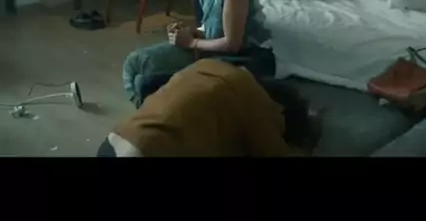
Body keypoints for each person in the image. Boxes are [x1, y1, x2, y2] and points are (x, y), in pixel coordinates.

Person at [123, 0, 275, 106]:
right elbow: (215, 32)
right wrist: (190, 33)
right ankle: (148, 110)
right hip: (215, 54)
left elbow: (233, 43)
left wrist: (192, 42)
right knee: (136, 71)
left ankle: (149, 111)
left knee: (145, 82)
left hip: (245, 59)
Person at [99, 59, 320, 157]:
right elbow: (275, 153)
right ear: (277, 107)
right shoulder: (255, 103)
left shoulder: (208, 66)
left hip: (112, 142)